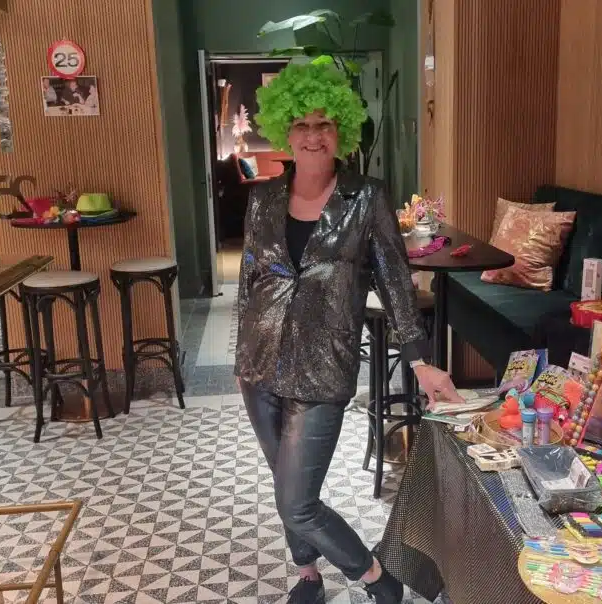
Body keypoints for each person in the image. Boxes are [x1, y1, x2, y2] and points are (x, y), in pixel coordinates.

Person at [235, 60, 464, 604]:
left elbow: (395, 282)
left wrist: (419, 359)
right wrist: (242, 348)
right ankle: (308, 576)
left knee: (297, 502)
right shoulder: (263, 200)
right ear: (285, 131)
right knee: (286, 485)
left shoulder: (366, 198)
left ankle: (377, 578)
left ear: (342, 131)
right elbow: (249, 279)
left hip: (323, 367)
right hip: (259, 364)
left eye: (325, 125)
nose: (313, 136)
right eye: (301, 125)